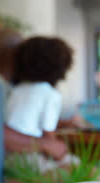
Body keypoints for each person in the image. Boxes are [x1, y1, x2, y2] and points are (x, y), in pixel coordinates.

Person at [0, 29, 70, 161]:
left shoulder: (5, 85)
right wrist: (45, 144)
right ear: (13, 56)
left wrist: (63, 124)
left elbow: (15, 123)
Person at [5, 36, 76, 172]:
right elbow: (50, 139)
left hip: (8, 158)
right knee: (79, 166)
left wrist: (64, 123)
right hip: (30, 158)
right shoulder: (50, 93)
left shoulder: (16, 90)